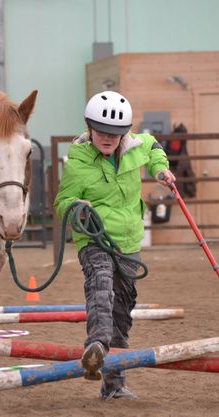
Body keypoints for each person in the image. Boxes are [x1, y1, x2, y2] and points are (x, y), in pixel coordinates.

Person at [54, 91, 175, 400]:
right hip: (94, 238)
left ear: (125, 133)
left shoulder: (137, 146)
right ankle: (96, 345)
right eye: (102, 131)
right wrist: (75, 206)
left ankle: (114, 385)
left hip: (128, 241)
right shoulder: (78, 159)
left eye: (115, 133)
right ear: (89, 127)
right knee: (101, 284)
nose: (108, 138)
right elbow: (61, 202)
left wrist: (161, 169)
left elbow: (154, 147)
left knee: (122, 311)